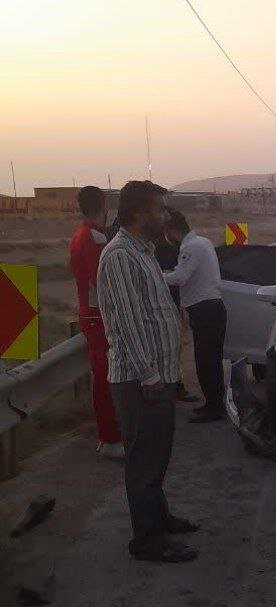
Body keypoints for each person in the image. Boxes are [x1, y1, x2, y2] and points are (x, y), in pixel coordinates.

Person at [97, 181, 198, 563]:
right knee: (144, 460)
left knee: (158, 454)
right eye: (160, 210)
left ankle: (159, 517)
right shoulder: (120, 255)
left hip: (158, 374)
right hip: (140, 378)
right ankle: (147, 539)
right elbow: (128, 322)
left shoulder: (144, 251)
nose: (165, 216)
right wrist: (149, 375)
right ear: (139, 214)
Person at [69, 186, 124, 459]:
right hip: (98, 315)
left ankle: (109, 435)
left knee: (104, 376)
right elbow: (102, 280)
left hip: (90, 313)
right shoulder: (95, 236)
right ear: (104, 205)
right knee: (106, 378)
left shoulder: (81, 234)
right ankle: (110, 438)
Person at [162, 209, 227, 423]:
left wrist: (158, 276)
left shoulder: (190, 248)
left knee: (206, 362)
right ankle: (215, 404)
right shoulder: (203, 242)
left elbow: (181, 277)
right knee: (212, 361)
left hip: (205, 311)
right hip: (212, 309)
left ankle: (214, 408)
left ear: (172, 231)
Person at [156, 230, 200, 404]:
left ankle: (170, 386)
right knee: (171, 348)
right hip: (167, 303)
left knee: (170, 348)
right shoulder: (164, 246)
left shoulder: (150, 246)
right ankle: (172, 386)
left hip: (168, 302)